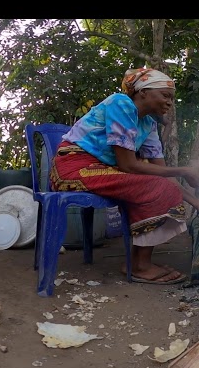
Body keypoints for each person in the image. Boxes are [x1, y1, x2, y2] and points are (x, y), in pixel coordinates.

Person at [50, 67, 199, 285]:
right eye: (165, 96)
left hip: (103, 170)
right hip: (73, 167)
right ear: (143, 92)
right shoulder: (120, 103)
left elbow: (165, 175)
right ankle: (140, 266)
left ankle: (139, 262)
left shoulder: (147, 124)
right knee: (157, 188)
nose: (170, 103)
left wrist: (195, 201)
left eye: (172, 99)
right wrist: (184, 170)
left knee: (160, 186)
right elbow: (129, 165)